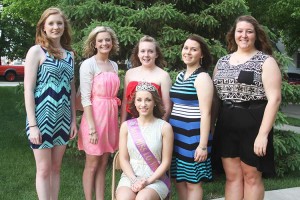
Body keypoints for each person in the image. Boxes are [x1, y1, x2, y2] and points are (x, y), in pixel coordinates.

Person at [213, 15, 282, 200]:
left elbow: (274, 99)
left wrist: (263, 135)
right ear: (233, 34)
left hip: (254, 124)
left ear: (256, 35)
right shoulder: (222, 62)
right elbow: (216, 99)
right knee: (232, 177)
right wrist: (211, 129)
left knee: (251, 177)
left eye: (249, 31)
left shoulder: (265, 61)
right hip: (227, 123)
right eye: (240, 31)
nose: (244, 35)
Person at [24, 7, 77, 200]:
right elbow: (28, 90)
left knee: (56, 169)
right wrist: (33, 125)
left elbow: (71, 90)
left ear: (64, 26)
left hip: (63, 120)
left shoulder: (70, 55)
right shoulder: (36, 51)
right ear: (44, 28)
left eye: (59, 23)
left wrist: (73, 121)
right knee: (44, 170)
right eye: (51, 23)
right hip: (41, 119)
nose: (56, 27)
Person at [168, 34, 214, 200]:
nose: (188, 52)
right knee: (179, 178)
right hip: (177, 137)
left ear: (201, 54)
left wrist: (202, 145)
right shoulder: (180, 76)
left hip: (193, 138)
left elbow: (206, 113)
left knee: (193, 182)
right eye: (186, 48)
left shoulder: (202, 77)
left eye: (193, 49)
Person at [77, 26, 120, 200]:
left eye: (107, 40)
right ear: (94, 43)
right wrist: (92, 129)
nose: (104, 43)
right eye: (100, 40)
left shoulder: (114, 65)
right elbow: (85, 98)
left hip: (110, 119)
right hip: (94, 118)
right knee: (92, 163)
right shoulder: (88, 64)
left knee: (103, 163)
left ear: (112, 42)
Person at [116, 81, 174, 200]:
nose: (143, 104)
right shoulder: (126, 126)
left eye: (148, 100)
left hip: (156, 178)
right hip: (130, 176)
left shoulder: (164, 127)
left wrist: (147, 182)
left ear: (155, 103)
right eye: (139, 100)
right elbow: (123, 159)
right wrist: (134, 180)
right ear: (134, 102)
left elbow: (166, 163)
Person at [120, 35, 172, 123]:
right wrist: (122, 124)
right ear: (138, 54)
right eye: (142, 51)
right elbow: (125, 102)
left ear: (156, 54)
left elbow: (167, 106)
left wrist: (159, 128)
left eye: (150, 51)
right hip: (132, 124)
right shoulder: (130, 73)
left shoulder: (163, 76)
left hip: (154, 123)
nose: (146, 55)